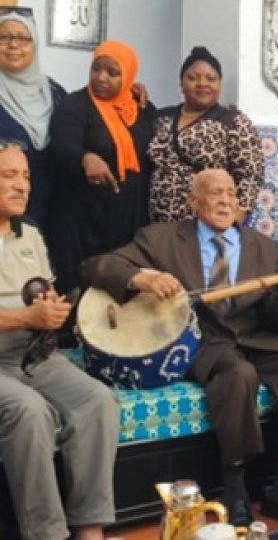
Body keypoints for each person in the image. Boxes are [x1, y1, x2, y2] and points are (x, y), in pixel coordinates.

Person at [80, 169, 278, 527]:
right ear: (193, 202)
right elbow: (96, 266)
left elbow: (271, 317)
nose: (225, 200)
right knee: (239, 374)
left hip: (254, 336)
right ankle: (236, 488)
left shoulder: (263, 246)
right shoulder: (161, 239)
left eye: (231, 192)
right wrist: (143, 278)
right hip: (204, 338)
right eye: (214, 193)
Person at [0, 140, 120, 540]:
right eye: (9, 176)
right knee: (30, 412)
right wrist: (23, 317)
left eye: (27, 177)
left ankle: (90, 528)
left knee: (98, 400)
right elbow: (24, 313)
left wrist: (52, 310)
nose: (22, 186)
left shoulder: (29, 233)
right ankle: (48, 535)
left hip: (35, 354)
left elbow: (44, 292)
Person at [45, 40, 156, 296]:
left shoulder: (142, 109)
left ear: (128, 76)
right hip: (81, 219)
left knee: (120, 285)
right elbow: (61, 142)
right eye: (97, 69)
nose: (102, 78)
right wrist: (85, 157)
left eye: (113, 73)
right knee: (76, 287)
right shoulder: (76, 105)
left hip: (127, 220)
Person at [148, 46, 263, 224]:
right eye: (193, 78)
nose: (202, 83)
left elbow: (251, 175)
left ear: (219, 84)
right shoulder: (162, 118)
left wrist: (234, 219)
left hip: (206, 226)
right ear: (181, 83)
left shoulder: (233, 122)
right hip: (160, 227)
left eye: (211, 78)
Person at [0, 7, 66, 225]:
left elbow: (86, 118)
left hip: (49, 210)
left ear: (34, 45)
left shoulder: (54, 93)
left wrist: (130, 93)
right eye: (5, 37)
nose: (13, 45)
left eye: (23, 38)